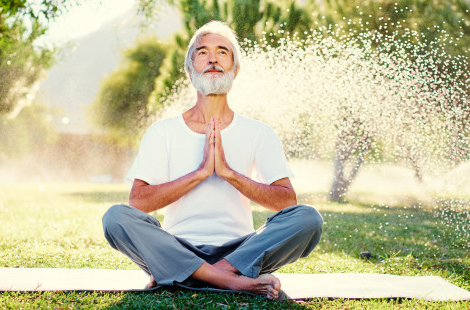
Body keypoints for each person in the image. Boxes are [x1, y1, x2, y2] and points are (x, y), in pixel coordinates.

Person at [102, 20, 323, 300]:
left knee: (308, 218)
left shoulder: (259, 132)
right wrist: (201, 172)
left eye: (223, 52)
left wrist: (229, 173)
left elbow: (286, 202)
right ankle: (229, 281)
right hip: (176, 247)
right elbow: (139, 202)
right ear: (190, 68)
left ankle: (193, 275)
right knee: (116, 217)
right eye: (202, 52)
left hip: (242, 251)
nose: (213, 59)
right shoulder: (163, 131)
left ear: (235, 68)